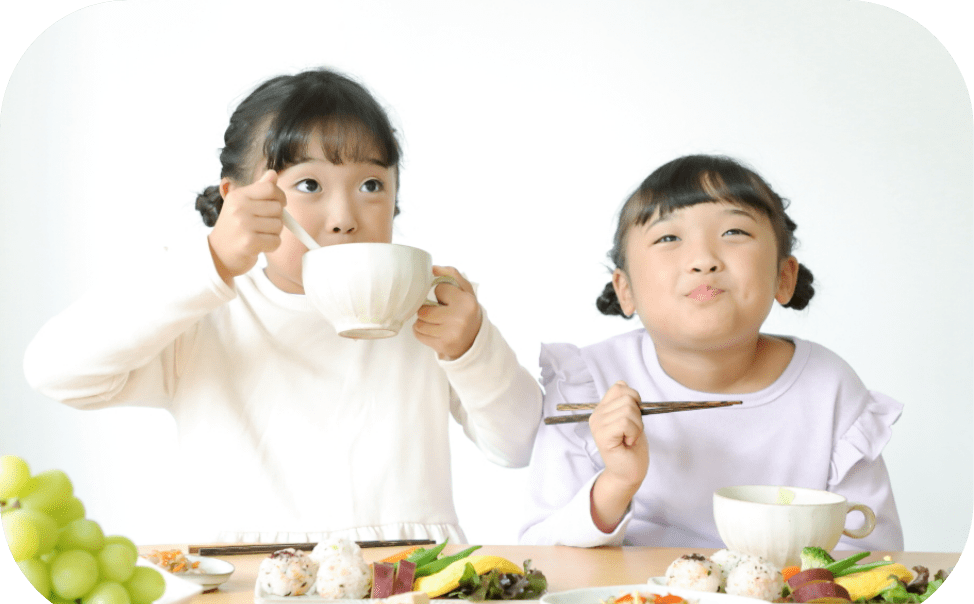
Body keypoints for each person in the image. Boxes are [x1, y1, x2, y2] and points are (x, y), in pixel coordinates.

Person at [23, 68, 542, 544]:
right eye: (309, 184)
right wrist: (210, 263)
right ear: (236, 200)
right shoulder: (201, 311)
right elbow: (57, 372)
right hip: (247, 593)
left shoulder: (427, 312)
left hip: (405, 588)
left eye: (371, 185)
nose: (343, 217)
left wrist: (472, 347)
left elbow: (519, 445)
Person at [518, 154, 904, 551]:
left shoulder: (829, 387)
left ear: (783, 277)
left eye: (734, 231)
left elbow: (872, 554)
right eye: (668, 238)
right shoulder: (587, 380)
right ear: (625, 289)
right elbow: (540, 551)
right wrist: (617, 482)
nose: (704, 260)